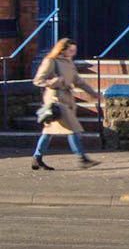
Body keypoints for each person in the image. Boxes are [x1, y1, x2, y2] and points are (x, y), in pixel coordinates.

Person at [30, 38, 101, 171]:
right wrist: (54, 81)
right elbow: (38, 80)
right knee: (73, 128)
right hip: (55, 100)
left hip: (67, 99)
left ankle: (37, 158)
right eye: (71, 50)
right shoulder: (51, 61)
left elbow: (78, 80)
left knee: (48, 131)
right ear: (62, 49)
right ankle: (82, 158)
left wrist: (93, 93)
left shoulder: (69, 62)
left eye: (74, 50)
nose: (73, 53)